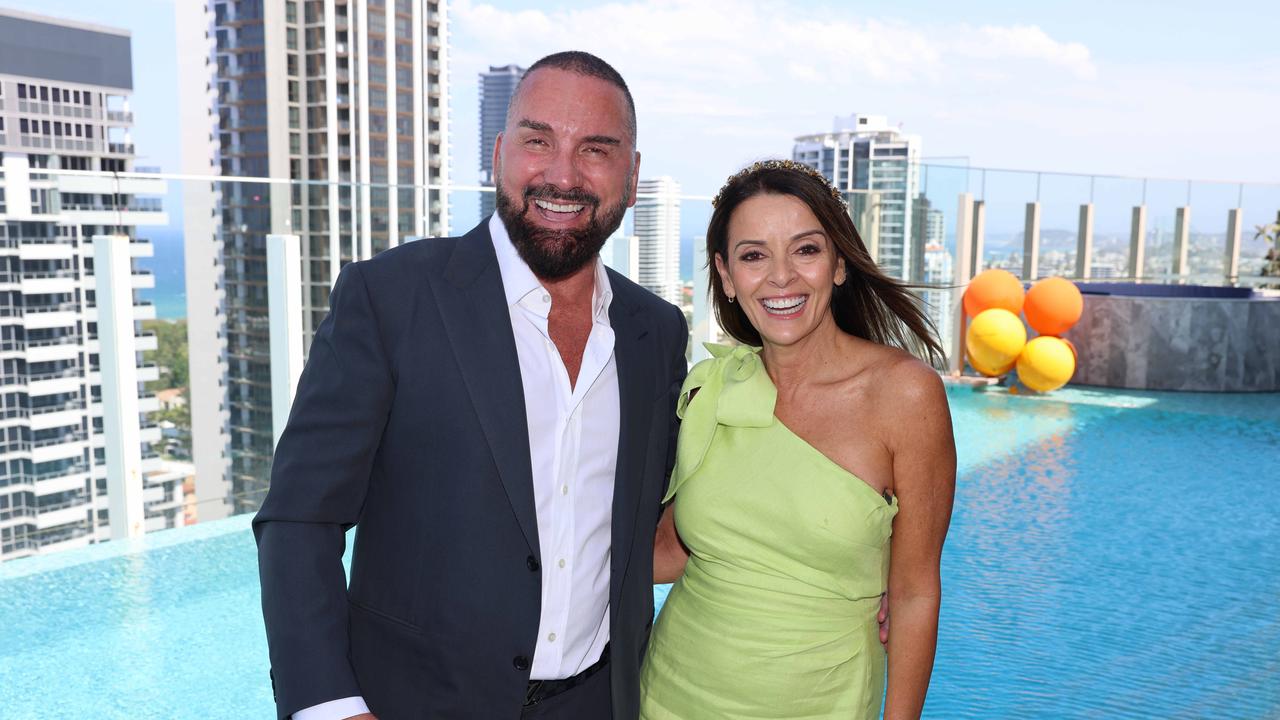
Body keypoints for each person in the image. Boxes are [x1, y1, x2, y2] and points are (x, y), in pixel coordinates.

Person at [254, 51, 690, 720]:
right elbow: (299, 517)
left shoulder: (656, 334)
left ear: (632, 178)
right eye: (538, 140)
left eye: (596, 150)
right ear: (499, 154)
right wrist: (331, 707)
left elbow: (656, 525)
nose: (563, 174)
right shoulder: (390, 299)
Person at [640, 160, 956, 719]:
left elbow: (913, 593)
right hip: (669, 695)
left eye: (805, 250)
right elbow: (669, 551)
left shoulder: (905, 396)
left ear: (838, 264)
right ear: (726, 275)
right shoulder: (709, 390)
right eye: (754, 255)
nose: (780, 277)